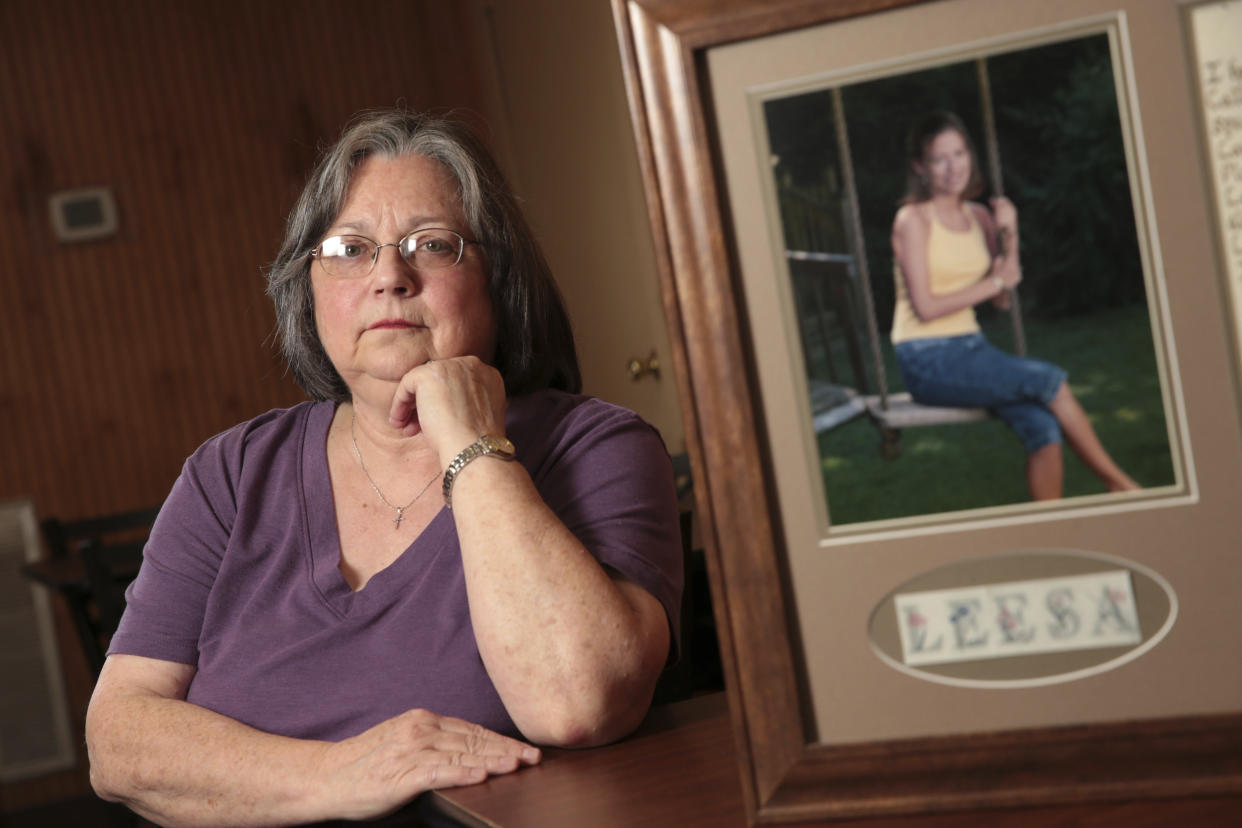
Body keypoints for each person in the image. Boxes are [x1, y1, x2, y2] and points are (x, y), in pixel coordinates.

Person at [85, 109, 683, 826]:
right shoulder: (231, 473)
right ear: (308, 290)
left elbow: (578, 704)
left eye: (432, 245)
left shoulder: (598, 448)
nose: (389, 276)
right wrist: (340, 774)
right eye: (349, 248)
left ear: (498, 279)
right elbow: (118, 742)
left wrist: (470, 441)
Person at [889, 110, 1139, 500]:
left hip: (971, 347)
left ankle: (1050, 526)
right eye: (939, 158)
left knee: (1042, 427)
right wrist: (996, 281)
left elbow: (1003, 298)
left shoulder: (981, 216)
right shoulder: (913, 220)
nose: (953, 167)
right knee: (1050, 380)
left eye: (959, 153)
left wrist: (1011, 233)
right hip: (925, 357)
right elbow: (926, 308)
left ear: (970, 155)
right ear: (920, 167)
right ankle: (1119, 485)